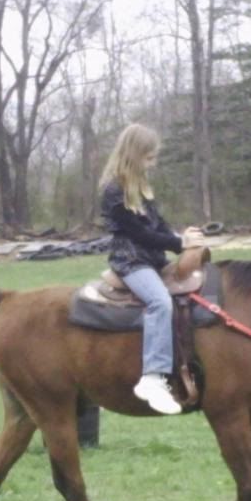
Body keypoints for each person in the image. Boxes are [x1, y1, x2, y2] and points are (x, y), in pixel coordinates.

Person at [99, 123, 206, 415]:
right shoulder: (113, 191)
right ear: (134, 154)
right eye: (149, 157)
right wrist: (177, 242)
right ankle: (153, 377)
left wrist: (184, 239)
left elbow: (158, 225)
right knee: (159, 302)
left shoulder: (143, 187)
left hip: (153, 259)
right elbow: (139, 235)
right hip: (131, 261)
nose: (153, 162)